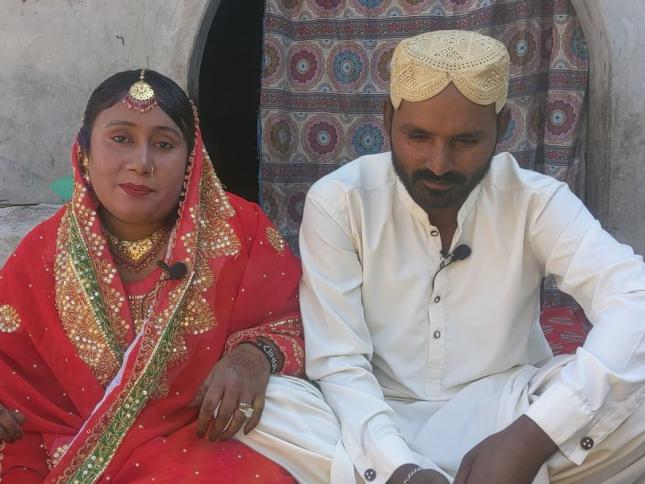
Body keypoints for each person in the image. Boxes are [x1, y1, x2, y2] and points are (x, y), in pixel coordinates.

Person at [298, 30, 645, 483]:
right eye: (418, 136)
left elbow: (634, 299)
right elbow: (339, 364)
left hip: (507, 410)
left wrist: (532, 438)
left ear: (501, 127)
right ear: (387, 119)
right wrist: (400, 469)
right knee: (274, 409)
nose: (438, 163)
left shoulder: (536, 201)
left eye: (464, 141)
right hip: (374, 414)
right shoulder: (339, 201)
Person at [0, 69, 306, 482]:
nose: (141, 163)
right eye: (121, 138)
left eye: (163, 144)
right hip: (61, 444)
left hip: (200, 441)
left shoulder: (240, 231)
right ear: (84, 149)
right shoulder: (41, 254)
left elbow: (296, 320)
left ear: (191, 158)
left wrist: (254, 357)